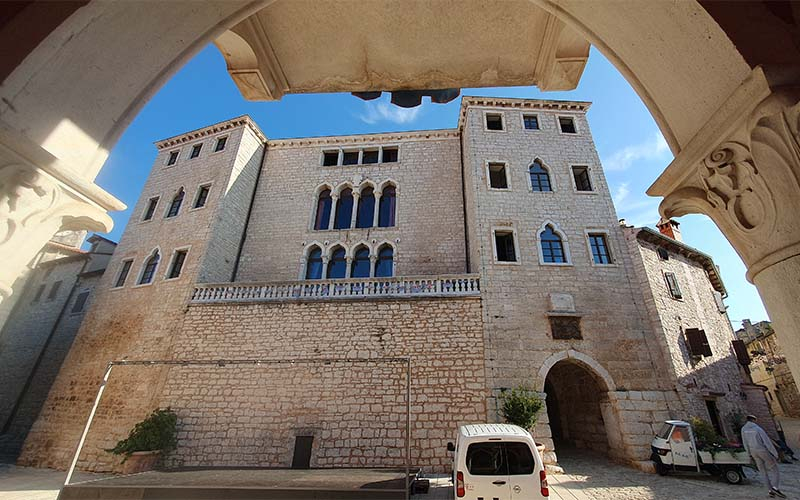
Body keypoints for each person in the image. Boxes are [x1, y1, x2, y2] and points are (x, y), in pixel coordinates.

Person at [741, 415, 785, 498]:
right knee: (774, 468)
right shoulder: (758, 429)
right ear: (753, 420)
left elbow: (745, 442)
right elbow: (767, 442)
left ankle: (770, 491)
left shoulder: (743, 429)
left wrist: (749, 454)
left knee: (762, 471)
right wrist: (775, 453)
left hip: (753, 451)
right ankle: (775, 487)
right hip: (762, 450)